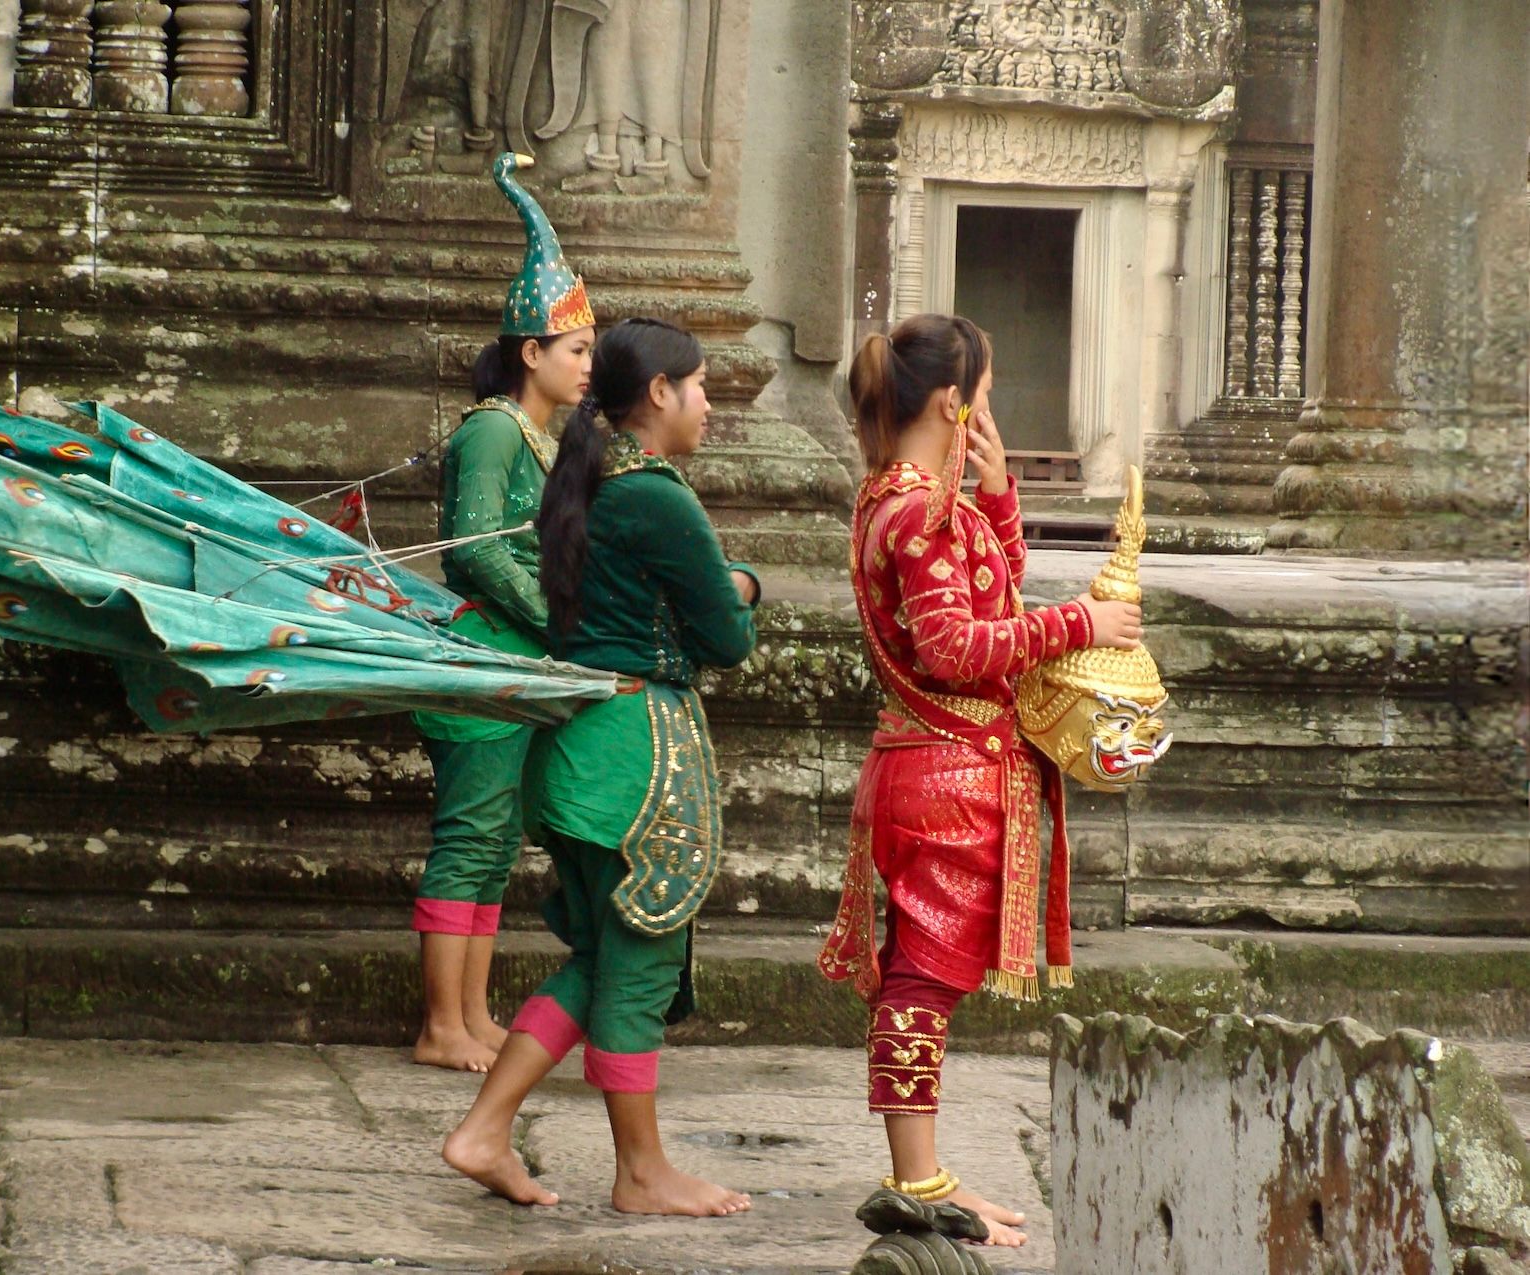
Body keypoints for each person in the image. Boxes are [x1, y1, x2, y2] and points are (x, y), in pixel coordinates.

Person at [816, 314, 1142, 1247]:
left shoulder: (899, 496)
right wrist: (1080, 624)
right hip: (948, 771)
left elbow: (983, 592)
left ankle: (925, 1173)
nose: (989, 415)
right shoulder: (921, 510)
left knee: (926, 977)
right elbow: (956, 645)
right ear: (953, 402)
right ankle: (918, 1180)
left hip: (931, 760)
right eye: (986, 398)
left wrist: (999, 500)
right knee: (923, 978)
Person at [442, 317, 758, 1217]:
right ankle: (642, 1170)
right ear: (658, 394)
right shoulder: (657, 496)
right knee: (637, 970)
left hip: (580, 749)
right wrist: (743, 583)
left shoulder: (588, 482)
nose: (707, 406)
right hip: (636, 760)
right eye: (698, 387)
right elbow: (726, 640)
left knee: (595, 957)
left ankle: (484, 1130)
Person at [409, 152, 597, 1073]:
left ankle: (473, 1015)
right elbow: (477, 550)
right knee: (472, 838)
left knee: (493, 848)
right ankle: (442, 1024)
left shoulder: (539, 435)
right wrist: (559, 621)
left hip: (511, 665)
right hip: (481, 654)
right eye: (576, 351)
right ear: (532, 352)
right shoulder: (492, 427)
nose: (587, 368)